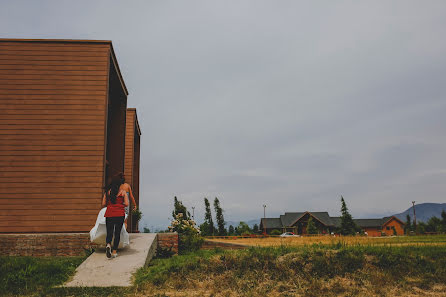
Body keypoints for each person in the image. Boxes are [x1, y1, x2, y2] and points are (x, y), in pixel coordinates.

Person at [102, 176, 129, 259]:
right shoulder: (123, 192)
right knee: (117, 233)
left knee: (109, 232)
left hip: (109, 213)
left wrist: (111, 204)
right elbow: (127, 204)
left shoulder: (108, 192)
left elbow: (103, 204)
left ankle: (108, 245)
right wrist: (120, 204)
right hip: (120, 214)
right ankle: (114, 252)